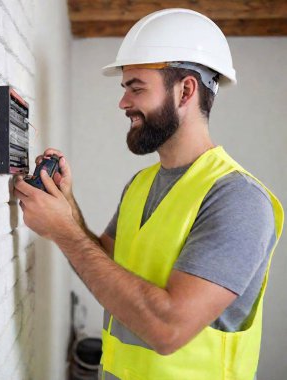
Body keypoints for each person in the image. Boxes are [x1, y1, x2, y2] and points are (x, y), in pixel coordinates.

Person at [14, 8, 284, 380]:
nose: (123, 103)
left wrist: (63, 230)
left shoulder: (239, 200)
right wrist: (66, 207)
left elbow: (168, 328)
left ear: (186, 90)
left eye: (136, 87)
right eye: (125, 88)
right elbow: (105, 260)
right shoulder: (141, 184)